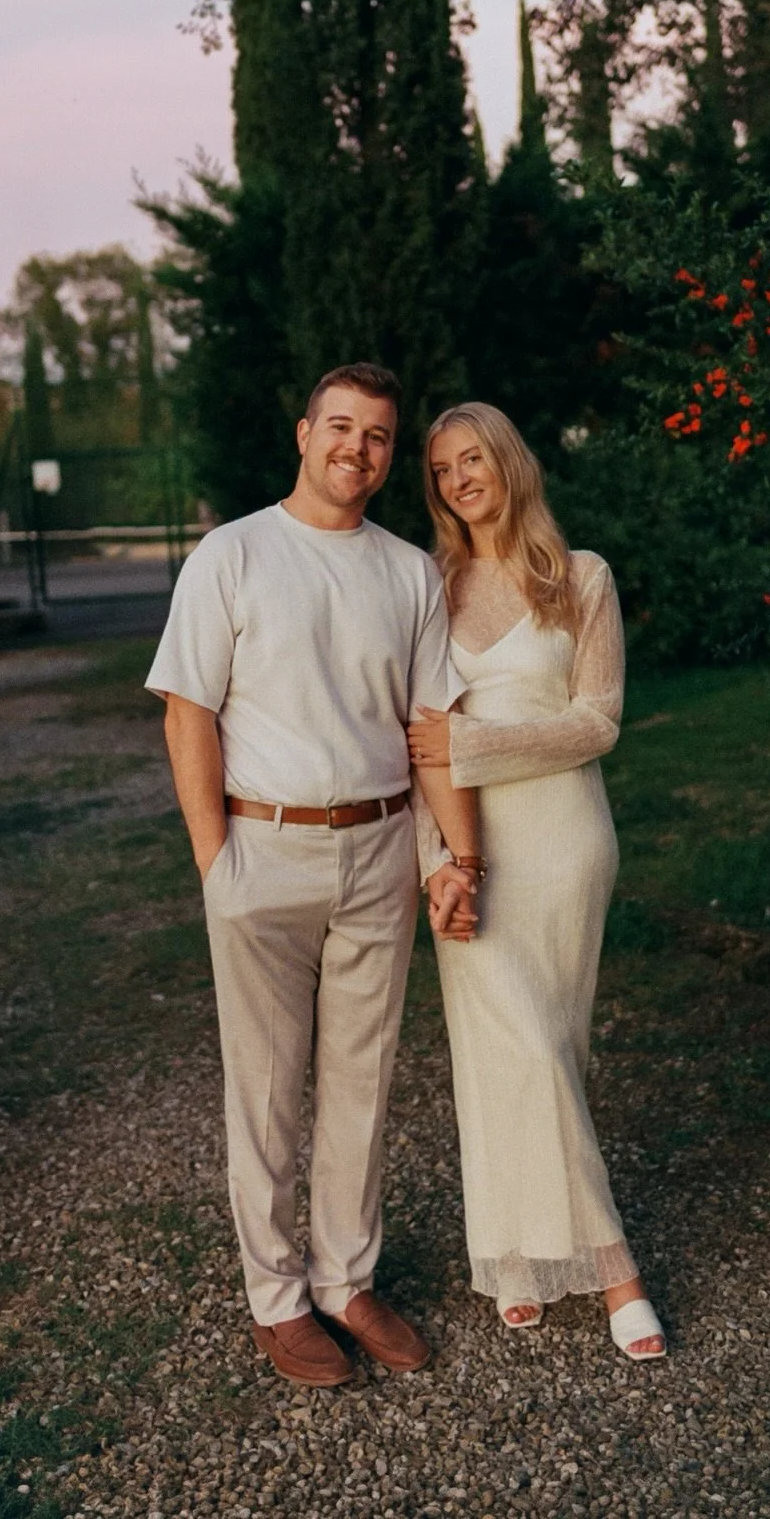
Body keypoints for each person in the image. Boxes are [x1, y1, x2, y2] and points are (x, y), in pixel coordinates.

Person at [146, 363, 483, 1389]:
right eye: (341, 427)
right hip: (263, 849)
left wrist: (452, 856)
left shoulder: (408, 574)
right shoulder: (233, 554)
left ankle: (346, 1279)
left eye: (378, 437)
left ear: (389, 456)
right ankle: (277, 1298)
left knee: (362, 1082)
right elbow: (187, 714)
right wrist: (218, 865)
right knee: (266, 1090)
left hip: (380, 846)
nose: (357, 449)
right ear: (304, 434)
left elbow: (434, 732)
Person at [406, 401, 666, 1361]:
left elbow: (596, 722)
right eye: (441, 470)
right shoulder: (428, 586)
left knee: (553, 1045)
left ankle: (519, 1256)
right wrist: (439, 860)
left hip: (565, 839)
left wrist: (469, 742)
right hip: (468, 847)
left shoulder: (580, 578)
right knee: (508, 1045)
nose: (460, 478)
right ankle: (615, 1271)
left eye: (474, 458)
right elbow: (414, 744)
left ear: (510, 462)